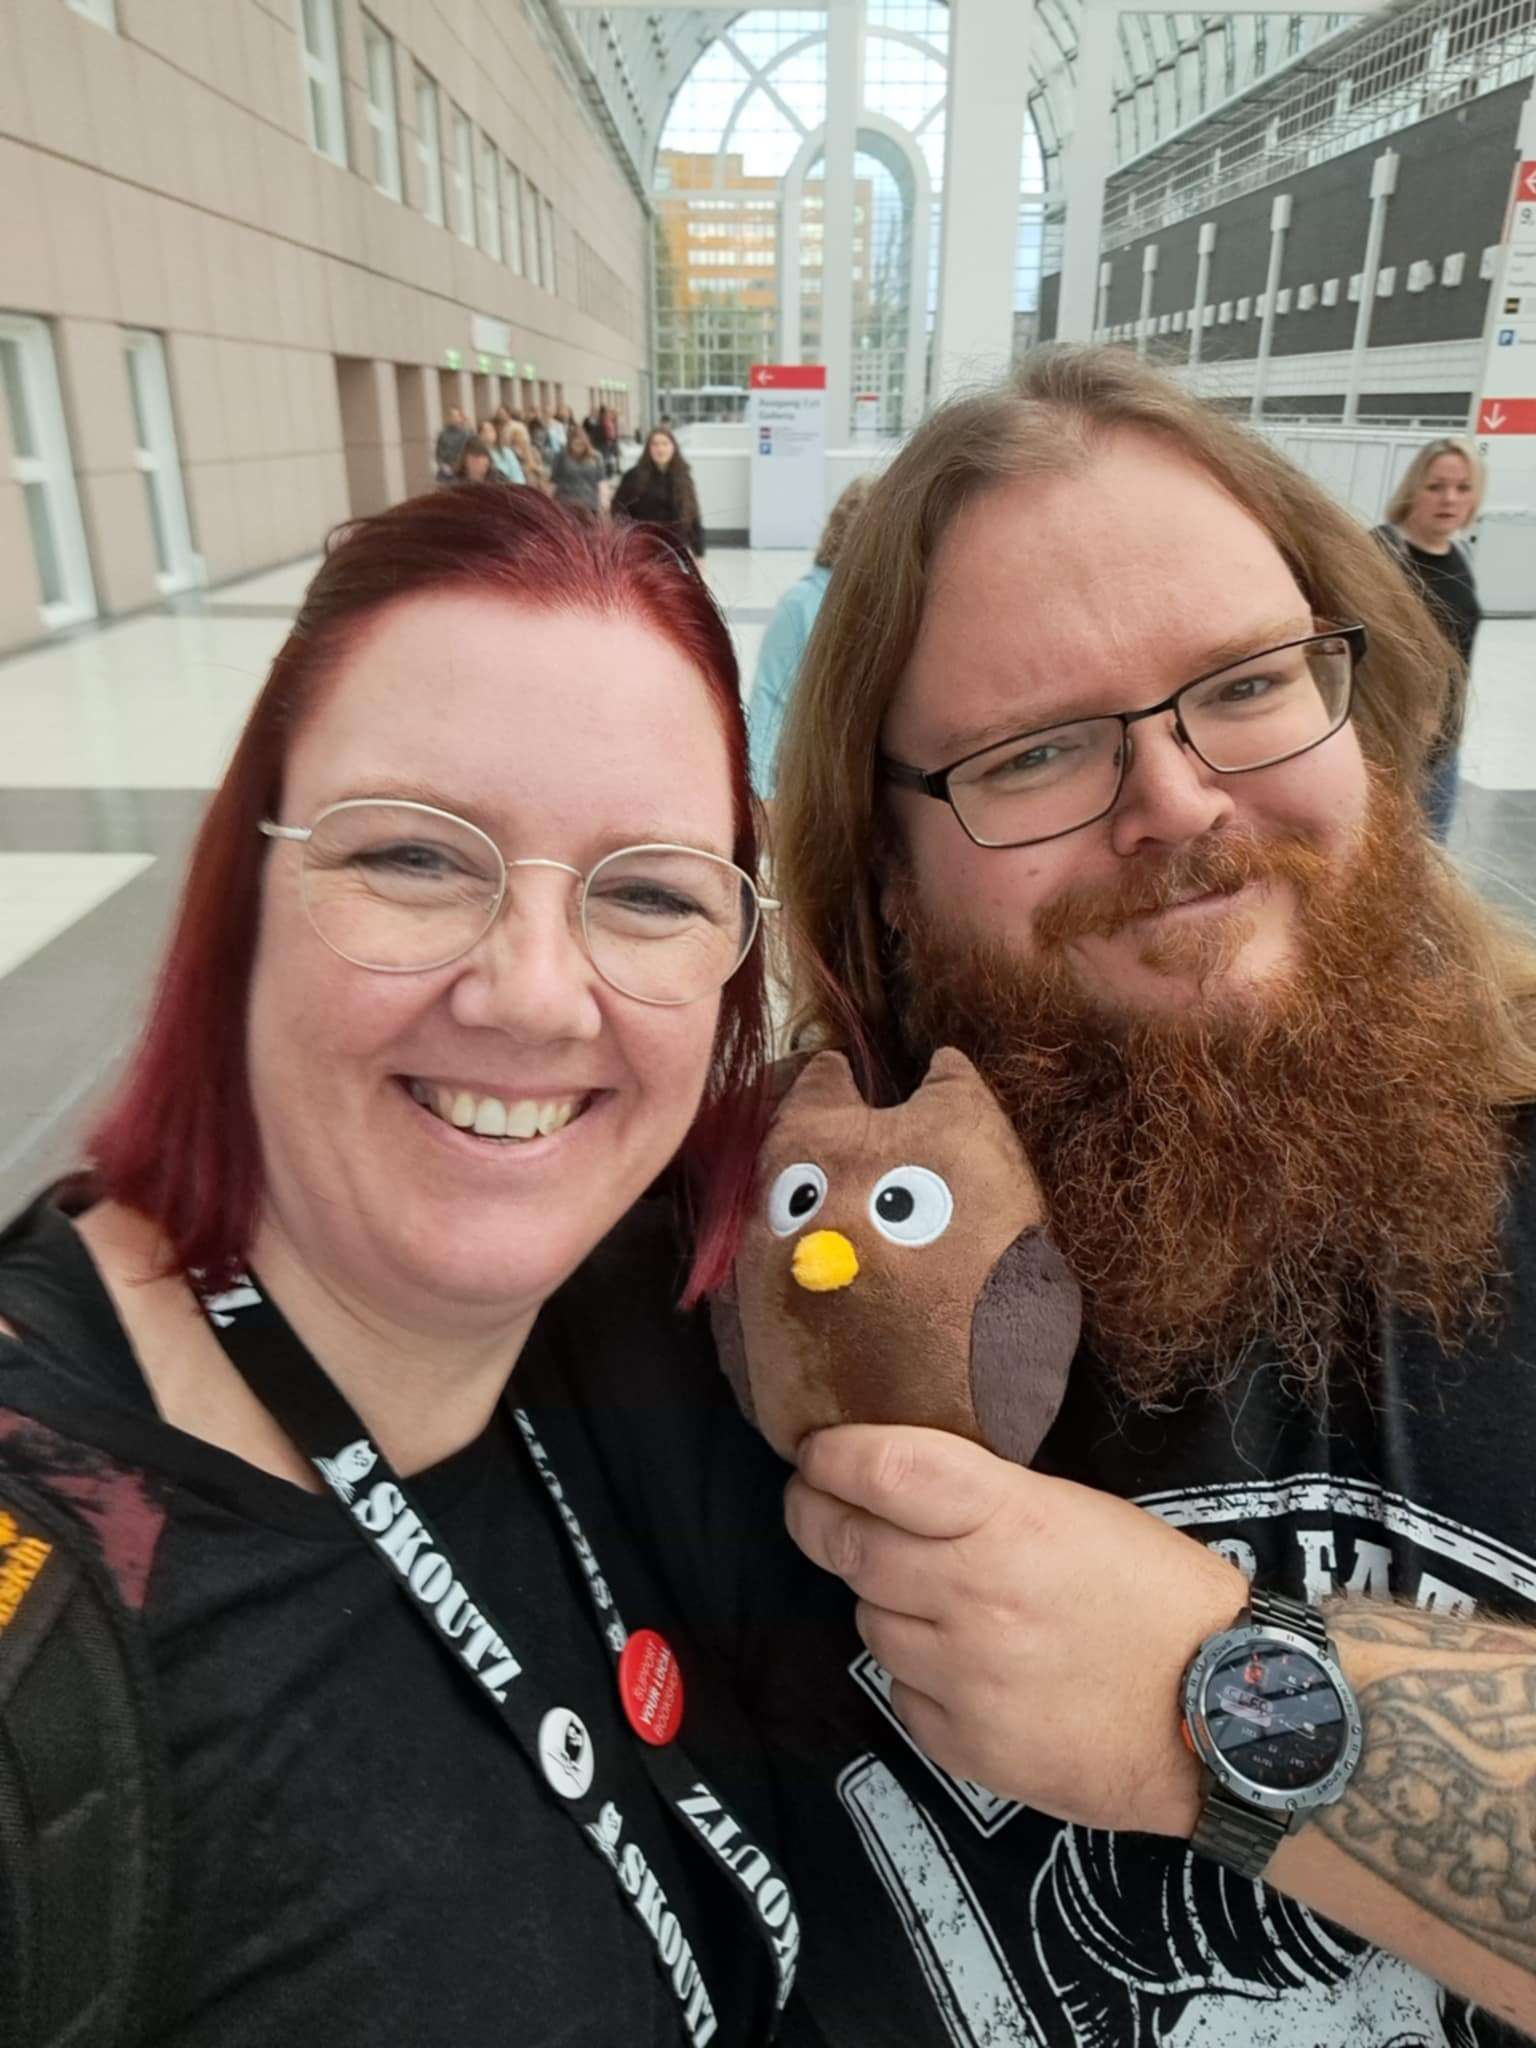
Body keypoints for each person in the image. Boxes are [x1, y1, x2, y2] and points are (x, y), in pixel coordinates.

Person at [592, 345, 1534, 2045]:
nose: (1177, 803)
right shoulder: (747, 1287)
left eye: (1248, 682)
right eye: (1033, 754)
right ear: (884, 871)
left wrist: (1221, 1701)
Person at [0, 486, 795, 2047]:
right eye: (417, 857)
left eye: (649, 892)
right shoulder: (50, 1613)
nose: (534, 995)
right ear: (244, 896)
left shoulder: (660, 1343)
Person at [1374, 437, 1484, 841]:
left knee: (1430, 860)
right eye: (1435, 486)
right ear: (1413, 489)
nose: (1449, 499)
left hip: (1443, 751)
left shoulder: (1459, 555)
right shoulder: (1384, 553)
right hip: (1390, 747)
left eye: (1463, 488)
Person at [747, 476, 872, 802]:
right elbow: (770, 701)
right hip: (817, 787)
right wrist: (761, 796)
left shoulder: (901, 605)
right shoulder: (802, 604)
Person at [613, 430, 705, 559]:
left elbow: (693, 516)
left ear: (673, 447)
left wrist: (699, 552)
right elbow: (619, 510)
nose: (660, 449)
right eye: (655, 444)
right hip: (643, 547)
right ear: (648, 449)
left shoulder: (683, 477)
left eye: (665, 444)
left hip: (676, 547)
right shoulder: (634, 476)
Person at [551, 425, 605, 515]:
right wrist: (549, 501)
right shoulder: (561, 456)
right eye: (575, 444)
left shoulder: (596, 457)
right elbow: (554, 481)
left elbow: (601, 481)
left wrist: (604, 501)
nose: (578, 448)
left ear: (586, 443)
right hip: (566, 503)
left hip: (590, 504)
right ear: (570, 443)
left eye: (581, 444)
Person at [434, 404, 469, 481]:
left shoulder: (467, 434)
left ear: (461, 417)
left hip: (462, 472)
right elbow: (438, 454)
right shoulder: (443, 434)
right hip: (446, 472)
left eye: (456, 416)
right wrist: (444, 466)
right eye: (452, 416)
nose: (454, 418)